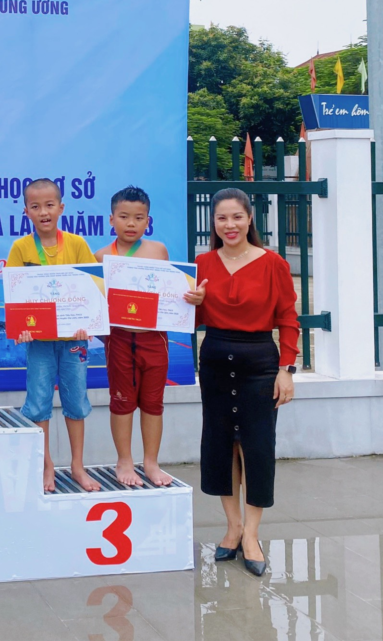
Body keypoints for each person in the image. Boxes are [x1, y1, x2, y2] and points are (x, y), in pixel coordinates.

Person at [187, 187, 298, 577]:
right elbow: (190, 321)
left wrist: (286, 369)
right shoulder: (202, 263)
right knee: (222, 445)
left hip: (259, 363)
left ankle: (252, 533)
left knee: (256, 447)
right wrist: (193, 304)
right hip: (216, 360)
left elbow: (288, 318)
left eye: (237, 217)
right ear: (213, 222)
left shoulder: (273, 263)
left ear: (250, 219)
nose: (229, 225)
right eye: (221, 218)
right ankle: (232, 527)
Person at [94, 186, 204, 489]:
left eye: (138, 217)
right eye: (124, 217)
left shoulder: (158, 251)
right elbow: (96, 304)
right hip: (119, 340)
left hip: (155, 339)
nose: (131, 223)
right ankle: (124, 460)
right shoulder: (101, 256)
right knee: (122, 401)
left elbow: (172, 293)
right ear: (111, 219)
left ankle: (151, 462)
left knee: (153, 402)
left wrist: (192, 298)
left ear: (148, 221)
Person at [6, 178, 99, 493]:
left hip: (74, 340)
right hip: (40, 343)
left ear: (61, 208)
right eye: (35, 207)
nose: (43, 212)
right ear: (26, 212)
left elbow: (91, 288)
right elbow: (16, 295)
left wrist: (87, 322)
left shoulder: (76, 244)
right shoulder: (21, 248)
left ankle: (77, 466)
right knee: (38, 402)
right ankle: (45, 465)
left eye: (49, 205)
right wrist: (22, 328)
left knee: (76, 400)